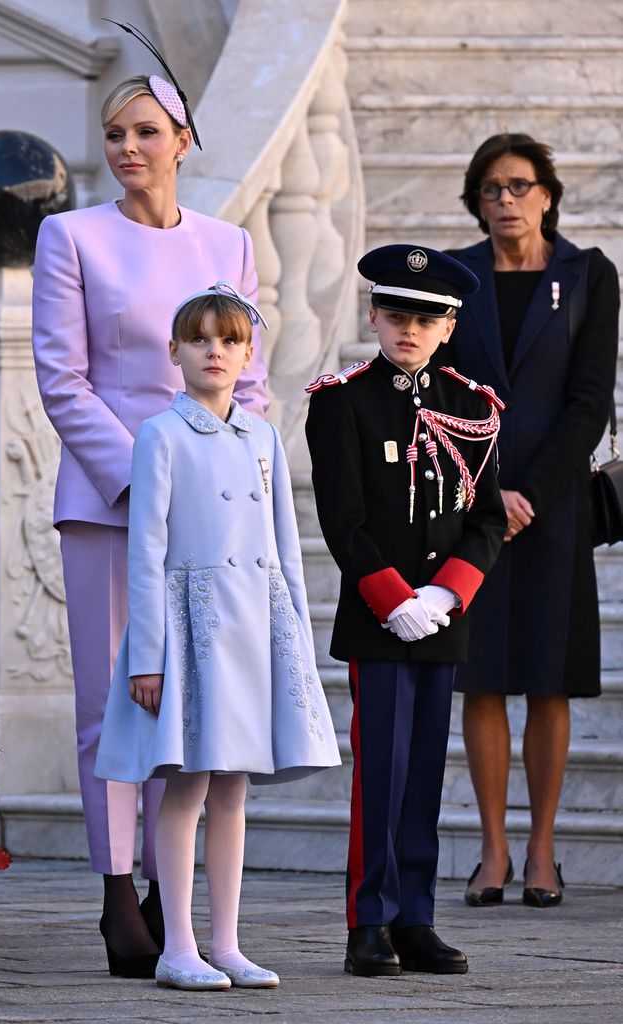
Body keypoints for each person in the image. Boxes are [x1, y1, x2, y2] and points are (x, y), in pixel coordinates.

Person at [31, 72, 268, 976]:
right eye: (115, 133)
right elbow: (65, 380)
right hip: (111, 502)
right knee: (111, 705)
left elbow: (246, 377)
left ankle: (181, 907)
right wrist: (151, 476)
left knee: (196, 701)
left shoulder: (228, 242)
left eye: (145, 132)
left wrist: (228, 472)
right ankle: (114, 890)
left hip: (209, 511)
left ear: (183, 141)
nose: (127, 148)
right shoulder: (71, 235)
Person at [94, 283, 340, 992]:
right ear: (173, 351)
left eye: (229, 340)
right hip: (190, 629)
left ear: (248, 352)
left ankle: (226, 943)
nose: (215, 351)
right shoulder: (160, 435)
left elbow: (283, 544)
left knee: (233, 789)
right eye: (199, 339)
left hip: (254, 627)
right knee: (188, 787)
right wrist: (148, 656)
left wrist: (291, 629)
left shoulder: (262, 433)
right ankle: (177, 946)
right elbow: (146, 550)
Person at [305, 245, 507, 978]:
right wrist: (394, 600)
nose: (409, 330)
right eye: (396, 315)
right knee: (380, 774)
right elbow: (343, 521)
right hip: (378, 618)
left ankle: (415, 918)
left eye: (426, 319)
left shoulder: (471, 406)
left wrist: (447, 592)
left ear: (449, 328)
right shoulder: (342, 401)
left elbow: (486, 519)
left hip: (441, 618)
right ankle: (369, 921)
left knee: (425, 771)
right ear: (374, 317)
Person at [447, 133, 619, 909]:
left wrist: (534, 494)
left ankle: (543, 854)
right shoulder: (454, 279)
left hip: (554, 514)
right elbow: (436, 393)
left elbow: (590, 404)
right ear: (476, 202)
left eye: (519, 186)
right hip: (466, 506)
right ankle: (493, 853)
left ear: (547, 194)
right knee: (480, 677)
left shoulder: (590, 276)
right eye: (491, 189)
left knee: (548, 681)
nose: (505, 201)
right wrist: (489, 494)